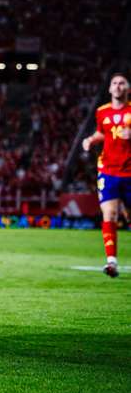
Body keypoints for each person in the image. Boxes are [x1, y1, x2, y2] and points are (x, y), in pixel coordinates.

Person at [82, 72, 131, 278]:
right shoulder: (102, 112)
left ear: (127, 89)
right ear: (110, 89)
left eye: (122, 83)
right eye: (115, 83)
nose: (118, 86)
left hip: (129, 171)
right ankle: (111, 262)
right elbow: (104, 132)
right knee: (109, 214)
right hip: (108, 170)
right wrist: (91, 139)